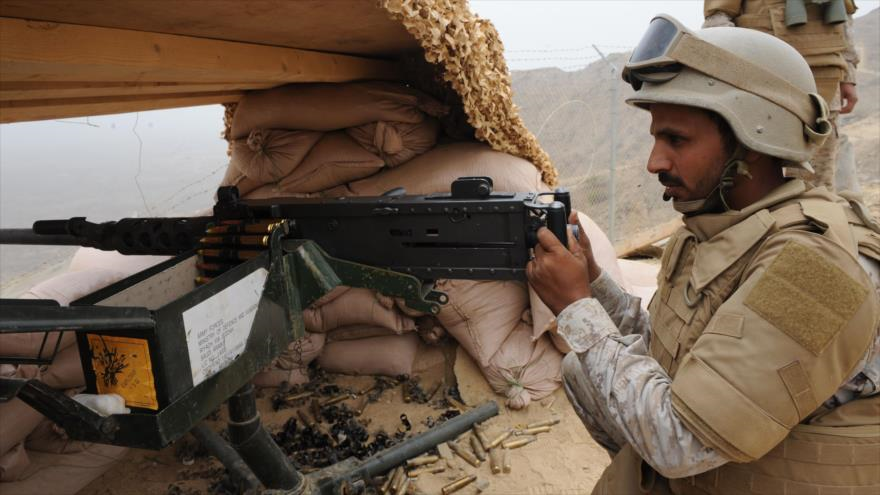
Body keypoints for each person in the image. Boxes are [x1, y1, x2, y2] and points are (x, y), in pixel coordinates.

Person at [527, 15, 880, 494]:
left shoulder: (815, 270)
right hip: (700, 465)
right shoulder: (719, 224)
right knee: (581, 370)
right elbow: (665, 349)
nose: (654, 162)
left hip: (755, 471)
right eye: (656, 137)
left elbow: (681, 440)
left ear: (754, 140)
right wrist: (594, 284)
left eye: (676, 139)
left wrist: (576, 310)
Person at [702, 0, 861, 191]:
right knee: (752, 181)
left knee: (818, 185)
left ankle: (810, 219)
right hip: (763, 81)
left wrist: (848, 75)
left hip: (825, 79)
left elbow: (844, 15)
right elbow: (718, 19)